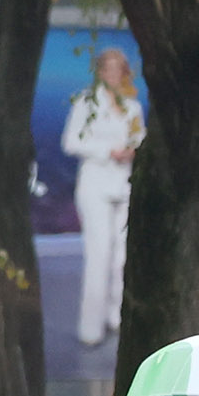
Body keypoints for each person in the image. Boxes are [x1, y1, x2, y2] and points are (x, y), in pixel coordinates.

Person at [61, 48, 145, 354]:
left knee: (123, 257)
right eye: (108, 68)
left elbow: (139, 138)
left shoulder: (132, 107)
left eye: (118, 68)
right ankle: (90, 327)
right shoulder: (86, 103)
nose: (113, 73)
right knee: (99, 255)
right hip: (95, 185)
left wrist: (133, 150)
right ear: (100, 71)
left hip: (123, 185)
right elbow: (71, 141)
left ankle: (117, 318)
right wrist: (107, 150)